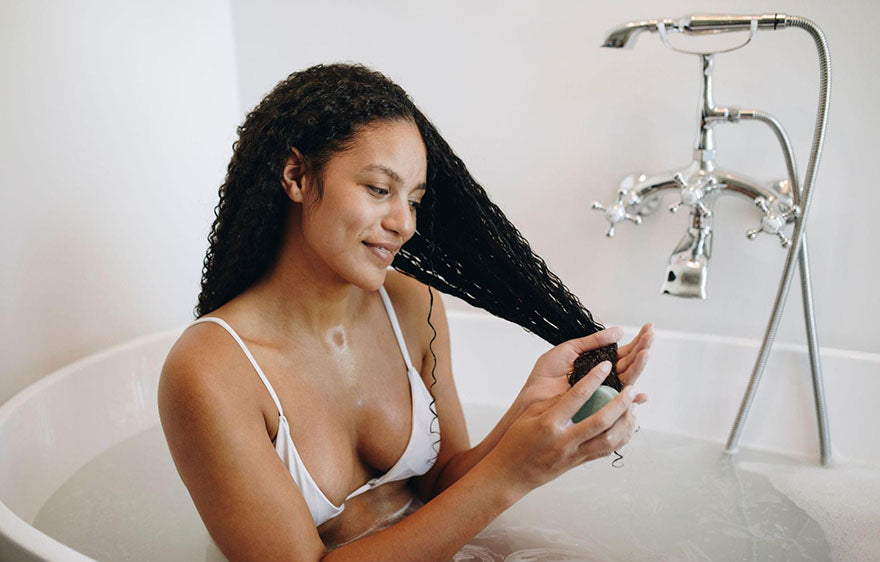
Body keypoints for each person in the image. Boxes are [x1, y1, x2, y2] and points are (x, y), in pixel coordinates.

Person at [158, 62, 653, 561]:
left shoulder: (413, 305)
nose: (405, 224)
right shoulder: (211, 370)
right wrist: (513, 473)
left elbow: (442, 483)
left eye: (414, 200)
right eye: (379, 190)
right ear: (296, 176)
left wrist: (530, 413)